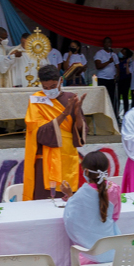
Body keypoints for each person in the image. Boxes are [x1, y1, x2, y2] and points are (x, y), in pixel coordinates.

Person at [60, 151, 125, 266]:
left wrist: (69, 197)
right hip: (112, 250)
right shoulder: (114, 189)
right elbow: (116, 216)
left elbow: (71, 220)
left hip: (90, 253)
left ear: (85, 172)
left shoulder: (82, 194)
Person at [23, 65, 86, 200]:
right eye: (45, 87)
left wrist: (77, 112)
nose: (49, 90)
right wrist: (64, 114)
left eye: (52, 86)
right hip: (45, 157)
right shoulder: (36, 99)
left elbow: (79, 131)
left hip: (67, 155)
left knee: (67, 199)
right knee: (43, 201)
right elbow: (38, 131)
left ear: (60, 81)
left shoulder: (70, 98)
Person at [94, 37, 120, 116]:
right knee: (102, 98)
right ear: (104, 44)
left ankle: (112, 115)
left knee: (111, 98)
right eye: (106, 42)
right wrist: (109, 61)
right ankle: (102, 115)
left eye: (109, 43)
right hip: (102, 79)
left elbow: (117, 66)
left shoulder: (114, 54)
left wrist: (117, 74)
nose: (108, 44)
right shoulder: (99, 53)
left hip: (111, 80)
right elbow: (98, 66)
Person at [117, 48, 133, 115]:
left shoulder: (129, 61)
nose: (120, 53)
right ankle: (116, 112)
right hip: (119, 80)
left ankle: (126, 112)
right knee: (117, 96)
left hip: (126, 80)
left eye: (123, 52)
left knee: (125, 96)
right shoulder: (117, 59)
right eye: (121, 51)